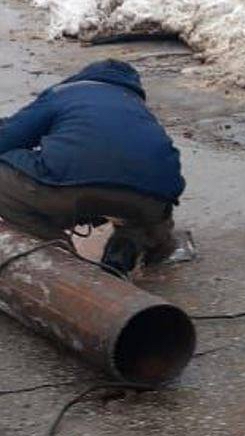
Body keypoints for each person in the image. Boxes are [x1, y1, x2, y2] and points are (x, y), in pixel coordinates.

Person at [0, 60, 185, 275]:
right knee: (146, 201)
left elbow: (7, 140)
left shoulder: (64, 93)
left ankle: (60, 256)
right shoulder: (136, 106)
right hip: (153, 196)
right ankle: (127, 246)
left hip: (68, 188)